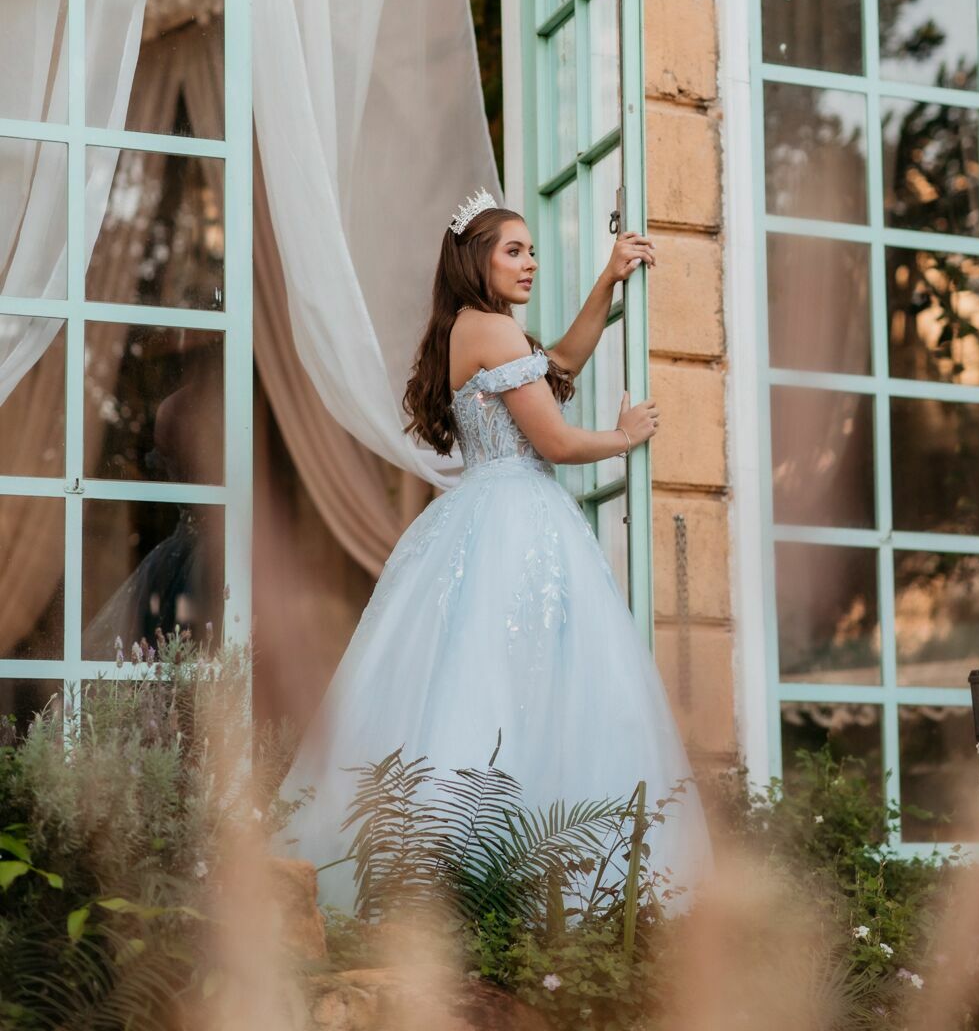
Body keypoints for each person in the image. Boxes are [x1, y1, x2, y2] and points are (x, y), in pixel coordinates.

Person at [276, 189, 713, 910]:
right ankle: (519, 886)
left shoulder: (474, 330)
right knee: (524, 686)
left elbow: (560, 361)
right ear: (476, 260)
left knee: (488, 680)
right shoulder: (490, 329)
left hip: (487, 511)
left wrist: (608, 280)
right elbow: (556, 440)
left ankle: (458, 886)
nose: (530, 262)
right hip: (517, 514)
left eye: (532, 250)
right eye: (514, 250)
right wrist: (625, 436)